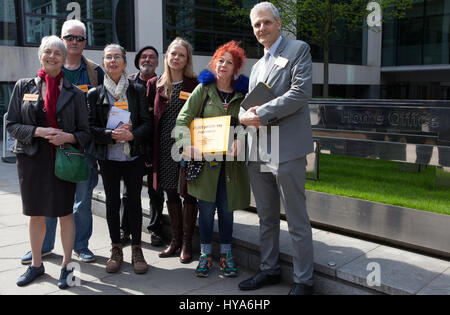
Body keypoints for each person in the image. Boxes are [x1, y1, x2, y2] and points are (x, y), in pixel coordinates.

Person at [238, 2, 315, 295]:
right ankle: (268, 270)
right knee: (266, 217)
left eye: (266, 22)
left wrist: (261, 112)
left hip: (288, 148)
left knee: (296, 220)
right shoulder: (257, 66)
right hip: (259, 150)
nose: (261, 29)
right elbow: (250, 105)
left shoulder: (298, 50)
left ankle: (303, 280)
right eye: (256, 25)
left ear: (279, 23)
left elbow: (300, 93)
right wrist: (244, 116)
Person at [6, 35, 90, 289]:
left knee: (65, 213)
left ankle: (67, 266)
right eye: (48, 52)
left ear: (64, 59)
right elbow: (11, 124)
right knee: (35, 214)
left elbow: (86, 132)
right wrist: (38, 132)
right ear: (40, 55)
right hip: (31, 158)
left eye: (58, 53)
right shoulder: (23, 86)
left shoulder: (74, 93)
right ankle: (36, 266)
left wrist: (68, 136)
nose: (52, 56)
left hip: (62, 159)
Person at [20, 20, 104, 265]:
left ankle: (80, 246)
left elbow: (98, 111)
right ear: (61, 39)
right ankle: (44, 247)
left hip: (79, 148)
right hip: (43, 152)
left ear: (84, 43)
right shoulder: (37, 77)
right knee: (45, 201)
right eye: (70, 37)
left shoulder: (94, 71)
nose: (74, 42)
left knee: (81, 200)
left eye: (79, 38)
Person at [176, 41, 250, 278]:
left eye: (230, 62)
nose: (224, 65)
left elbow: (250, 124)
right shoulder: (203, 90)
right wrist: (187, 144)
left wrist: (243, 138)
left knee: (227, 211)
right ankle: (206, 255)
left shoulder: (243, 94)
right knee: (206, 212)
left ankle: (227, 255)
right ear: (214, 63)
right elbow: (182, 119)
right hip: (206, 165)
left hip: (231, 167)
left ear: (235, 67)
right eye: (220, 60)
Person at [87, 44, 151, 274]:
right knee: (112, 203)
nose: (113, 61)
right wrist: (110, 135)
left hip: (132, 156)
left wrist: (132, 134)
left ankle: (136, 248)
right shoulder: (94, 94)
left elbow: (147, 123)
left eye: (117, 57)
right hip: (108, 157)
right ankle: (116, 248)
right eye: (108, 58)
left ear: (124, 63)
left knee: (133, 203)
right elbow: (90, 128)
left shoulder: (137, 90)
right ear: (103, 64)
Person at [149, 37, 198, 264]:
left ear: (187, 59)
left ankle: (188, 244)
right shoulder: (155, 85)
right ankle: (175, 241)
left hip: (187, 148)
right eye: (173, 53)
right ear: (166, 56)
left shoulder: (195, 85)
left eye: (181, 54)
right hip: (164, 149)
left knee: (188, 194)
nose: (176, 58)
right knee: (170, 192)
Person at [121, 45, 164, 247]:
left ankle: (155, 229)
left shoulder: (164, 84)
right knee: (129, 191)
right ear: (138, 61)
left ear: (157, 62)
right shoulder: (127, 83)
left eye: (152, 57)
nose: (148, 60)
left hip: (157, 146)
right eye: (144, 57)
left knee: (156, 191)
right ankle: (125, 229)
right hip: (134, 143)